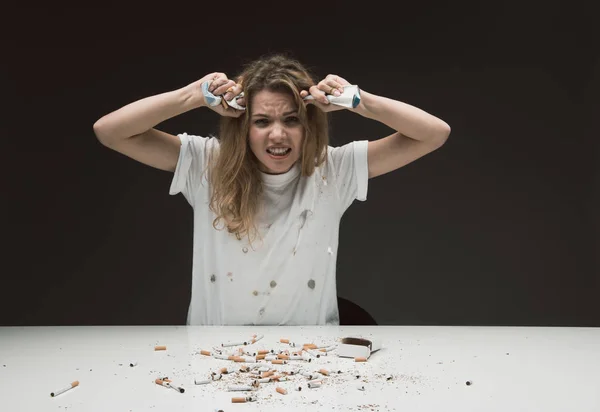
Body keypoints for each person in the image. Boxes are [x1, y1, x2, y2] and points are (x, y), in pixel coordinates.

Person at [93, 53, 451, 326]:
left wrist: (359, 100)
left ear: (308, 124)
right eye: (262, 121)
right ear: (243, 125)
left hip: (311, 364)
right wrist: (191, 96)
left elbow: (434, 134)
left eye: (291, 119)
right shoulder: (207, 165)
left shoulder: (332, 170)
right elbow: (110, 131)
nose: (277, 135)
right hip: (211, 362)